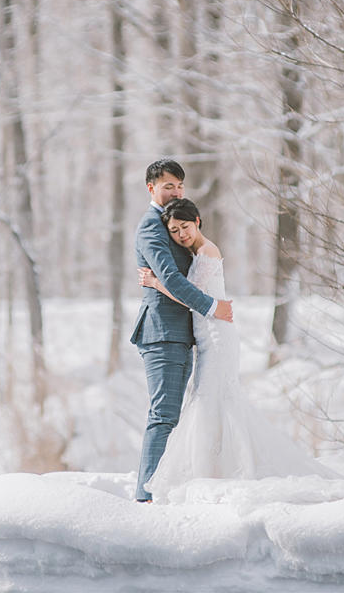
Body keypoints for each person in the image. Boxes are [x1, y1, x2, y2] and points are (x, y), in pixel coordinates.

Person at [141, 198, 338, 499]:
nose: (180, 234)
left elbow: (189, 294)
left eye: (184, 227)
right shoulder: (195, 252)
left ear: (197, 221)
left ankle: (218, 470)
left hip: (218, 338)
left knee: (211, 399)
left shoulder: (207, 251)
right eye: (174, 231)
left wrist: (156, 283)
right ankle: (212, 468)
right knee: (208, 400)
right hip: (206, 338)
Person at [130, 160, 234, 503]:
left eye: (178, 186)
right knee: (163, 415)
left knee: (176, 415)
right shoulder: (150, 228)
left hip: (186, 332)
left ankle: (164, 487)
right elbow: (172, 278)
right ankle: (146, 496)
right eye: (167, 187)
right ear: (151, 188)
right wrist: (211, 306)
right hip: (162, 332)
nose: (174, 191)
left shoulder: (173, 220)